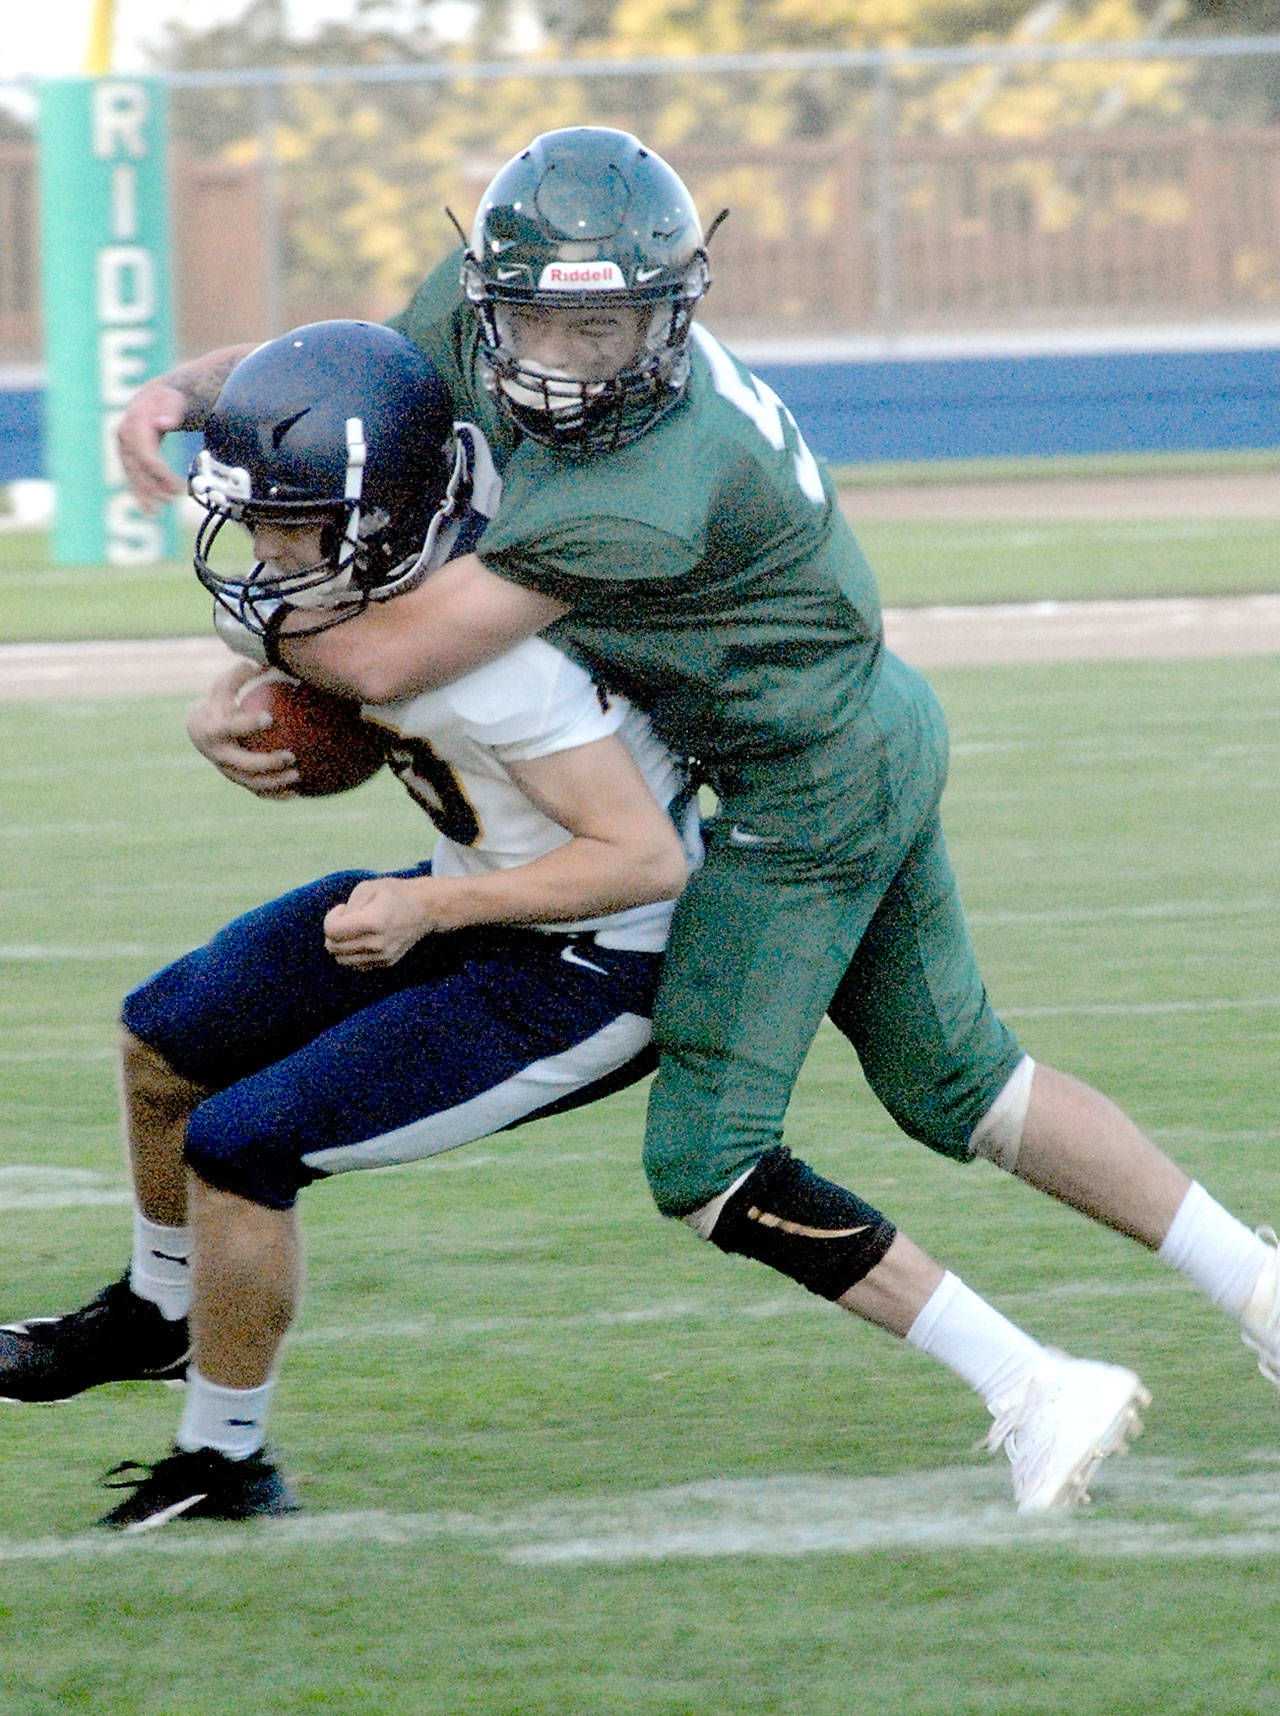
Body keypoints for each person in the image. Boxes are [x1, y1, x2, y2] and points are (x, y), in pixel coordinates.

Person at [114, 129, 1280, 1517]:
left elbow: (376, 662)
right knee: (962, 1085)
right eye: (539, 314)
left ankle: (1037, 1389)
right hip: (852, 729)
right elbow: (367, 364)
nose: (567, 354)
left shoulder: (646, 484)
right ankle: (1261, 1286)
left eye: (605, 325)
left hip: (809, 772)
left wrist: (233, 668)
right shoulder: (483, 316)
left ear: (673, 308)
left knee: (707, 1153)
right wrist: (194, 390)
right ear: (493, 288)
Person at [0, 319, 704, 1529]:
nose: (266, 556)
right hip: (478, 884)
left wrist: (434, 903)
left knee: (244, 1145)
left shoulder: (495, 663)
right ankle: (161, 1312)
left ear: (384, 524)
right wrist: (222, 705)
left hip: (591, 958)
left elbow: (641, 860)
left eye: (293, 529)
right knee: (161, 1043)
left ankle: (226, 1462)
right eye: (258, 523)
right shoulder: (403, 532)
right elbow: (339, 376)